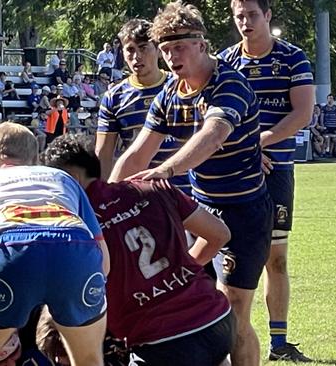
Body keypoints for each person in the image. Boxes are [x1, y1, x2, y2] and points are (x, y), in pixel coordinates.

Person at [110, 2, 273, 365]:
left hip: (244, 213)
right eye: (164, 50)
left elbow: (212, 135)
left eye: (178, 47)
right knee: (195, 306)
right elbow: (136, 155)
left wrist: (164, 171)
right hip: (200, 214)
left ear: (201, 43)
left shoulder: (229, 83)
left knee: (233, 311)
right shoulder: (170, 94)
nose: (170, 57)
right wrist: (100, 201)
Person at [43, 133, 234, 366]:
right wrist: (183, 274)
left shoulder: (77, 224)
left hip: (160, 341)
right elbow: (220, 234)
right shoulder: (152, 188)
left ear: (69, 178)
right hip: (218, 321)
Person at [0, 122, 109, 366]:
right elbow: (103, 259)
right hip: (77, 249)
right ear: (37, 159)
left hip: (8, 251)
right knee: (89, 360)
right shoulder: (62, 178)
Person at [219, 0, 315, 361]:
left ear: (268, 15)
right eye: (239, 16)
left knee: (276, 259)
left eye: (252, 15)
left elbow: (302, 113)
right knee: (229, 260)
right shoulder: (225, 61)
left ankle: (278, 343)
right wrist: (246, 150)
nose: (245, 22)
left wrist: (260, 141)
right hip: (233, 173)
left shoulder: (292, 57)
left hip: (277, 172)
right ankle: (230, 338)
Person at [96, 19, 189, 195]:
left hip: (185, 189)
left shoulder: (181, 85)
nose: (136, 56)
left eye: (143, 48)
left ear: (158, 50)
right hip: (140, 193)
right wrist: (102, 196)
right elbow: (103, 155)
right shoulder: (114, 97)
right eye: (130, 50)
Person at [320, 94, 336, 158]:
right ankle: (323, 152)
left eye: (331, 98)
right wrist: (322, 125)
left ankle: (331, 153)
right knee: (326, 138)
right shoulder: (324, 108)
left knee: (334, 140)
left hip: (333, 126)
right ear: (327, 99)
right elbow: (322, 117)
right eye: (329, 98)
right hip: (326, 126)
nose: (330, 100)